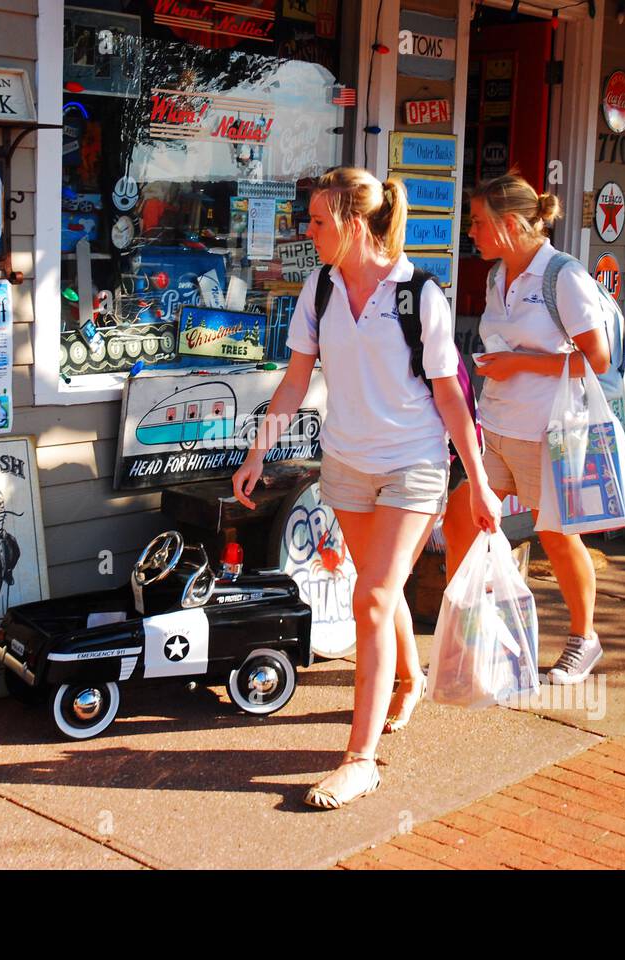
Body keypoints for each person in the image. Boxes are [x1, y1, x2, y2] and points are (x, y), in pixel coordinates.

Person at [231, 168, 501, 810]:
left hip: (414, 465)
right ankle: (408, 679)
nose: (309, 230)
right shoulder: (320, 289)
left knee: (373, 596)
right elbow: (296, 381)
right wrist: (256, 450)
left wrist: (482, 485)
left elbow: (451, 397)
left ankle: (359, 760)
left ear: (354, 225)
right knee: (378, 590)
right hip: (347, 465)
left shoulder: (418, 295)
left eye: (319, 221)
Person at [442, 172, 612, 685]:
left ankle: (585, 640)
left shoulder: (563, 276)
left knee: (558, 538)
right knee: (458, 521)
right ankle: (469, 639)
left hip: (546, 433)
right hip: (494, 428)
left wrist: (517, 364)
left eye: (477, 222)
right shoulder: (499, 274)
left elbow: (598, 360)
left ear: (510, 224)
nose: (469, 231)